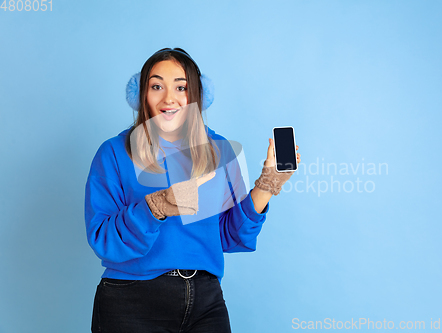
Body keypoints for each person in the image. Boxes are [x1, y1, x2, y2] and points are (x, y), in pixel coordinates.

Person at [84, 47, 301, 333]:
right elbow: (102, 237)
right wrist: (157, 206)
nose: (169, 98)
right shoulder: (114, 152)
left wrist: (267, 184)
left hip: (205, 300)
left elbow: (227, 235)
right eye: (156, 86)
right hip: (131, 299)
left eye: (181, 87)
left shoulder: (220, 150)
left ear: (197, 95)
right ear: (141, 96)